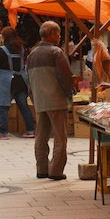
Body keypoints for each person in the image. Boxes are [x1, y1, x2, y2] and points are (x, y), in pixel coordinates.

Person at [27, 21, 74, 180]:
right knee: (60, 137)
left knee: (41, 135)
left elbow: (29, 80)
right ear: (52, 34)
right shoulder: (56, 52)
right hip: (56, 100)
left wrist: (34, 98)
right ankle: (56, 171)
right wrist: (69, 93)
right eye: (58, 33)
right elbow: (65, 77)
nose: (60, 36)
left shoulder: (32, 54)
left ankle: (42, 169)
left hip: (40, 101)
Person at [0, 27, 35, 140]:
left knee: (3, 107)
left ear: (4, 37)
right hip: (21, 80)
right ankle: (31, 130)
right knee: (23, 106)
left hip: (7, 81)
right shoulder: (21, 49)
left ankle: (3, 133)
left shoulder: (2, 50)